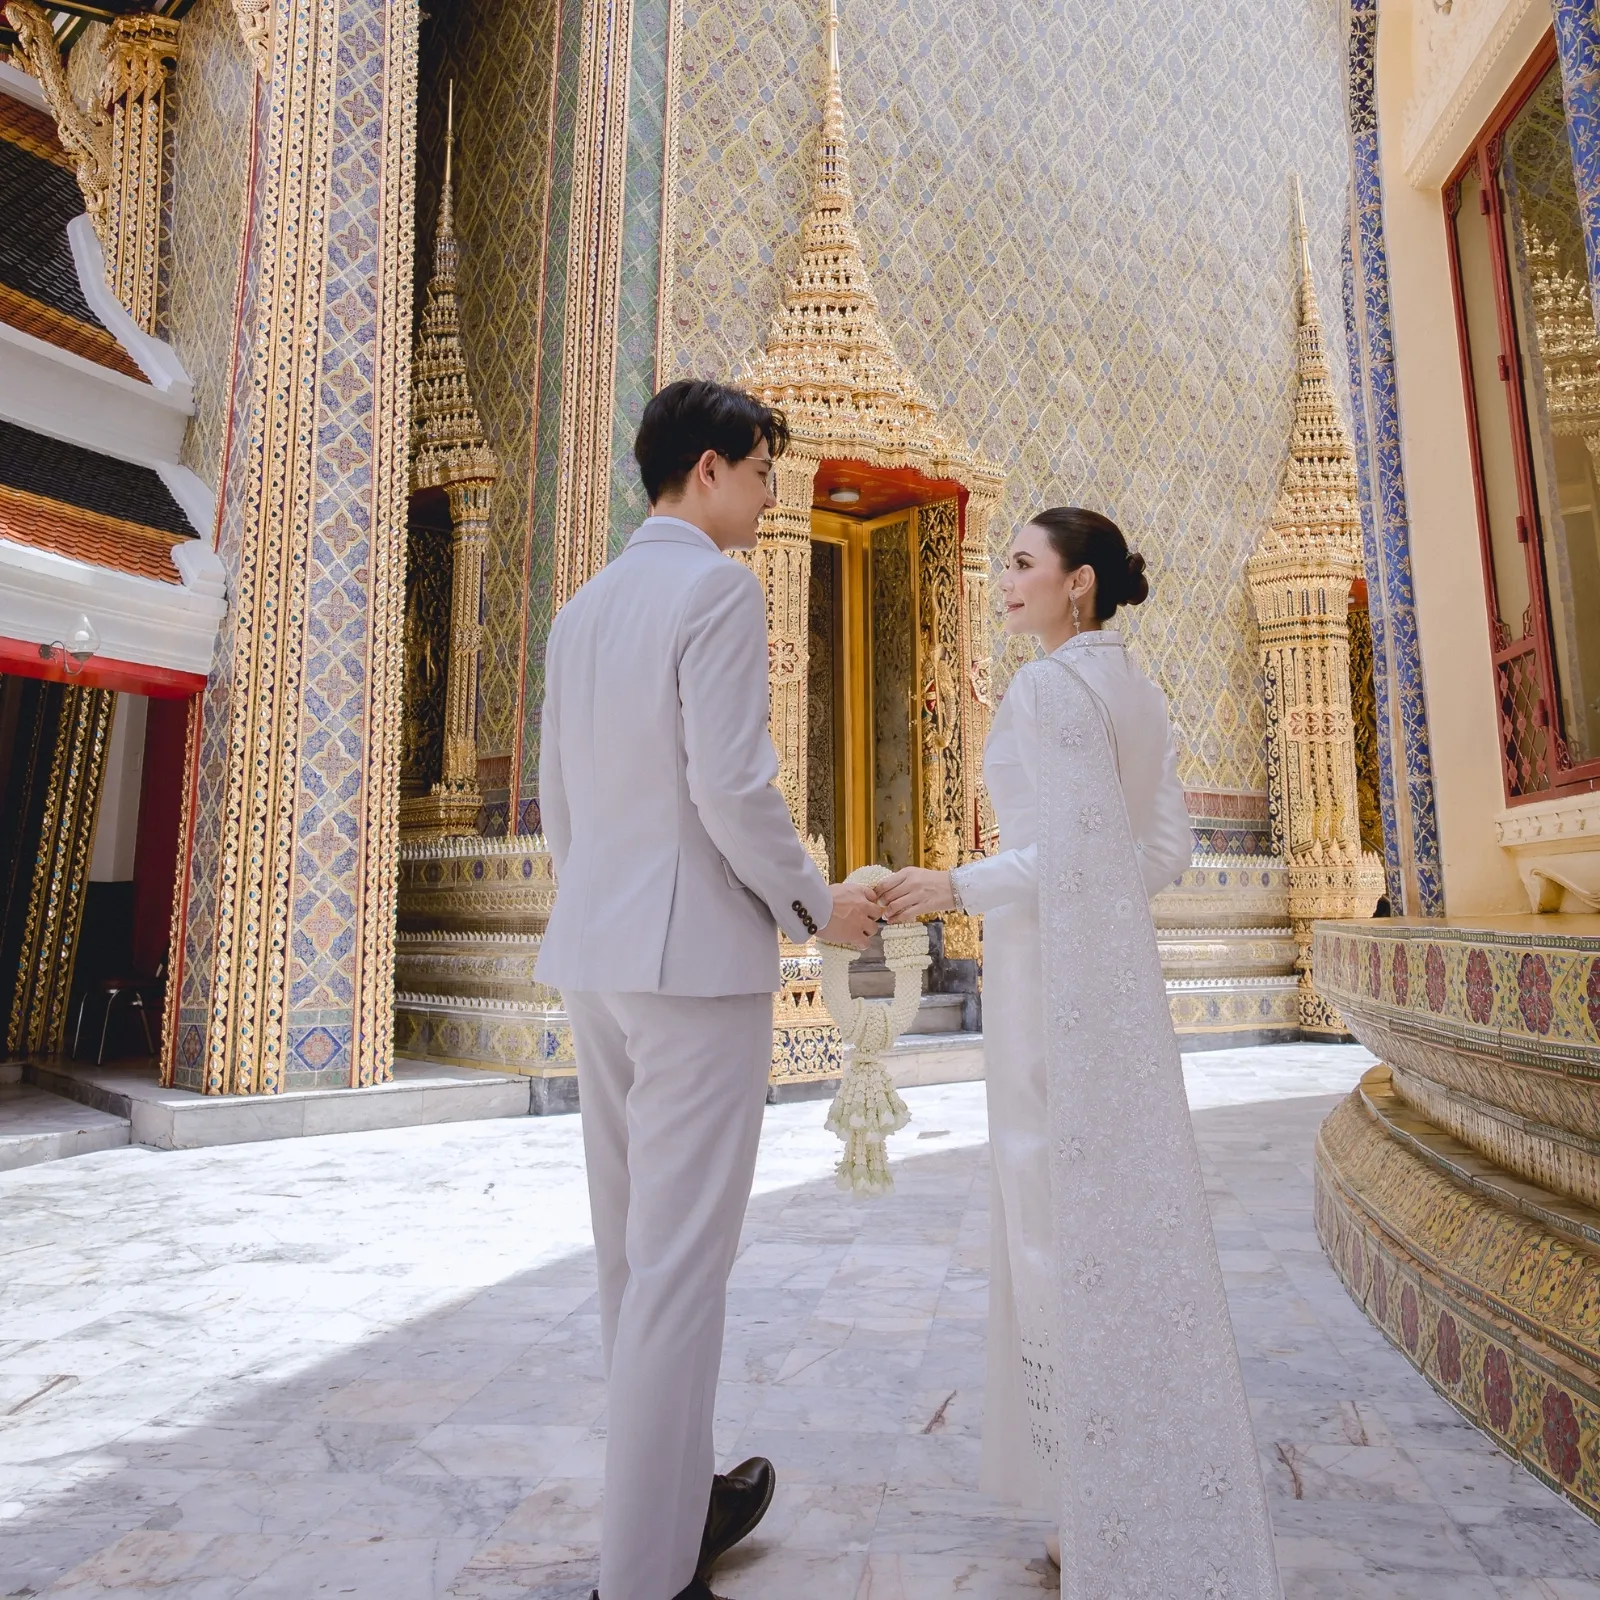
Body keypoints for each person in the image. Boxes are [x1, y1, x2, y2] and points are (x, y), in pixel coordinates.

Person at [877, 508, 1282, 1597]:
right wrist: (1085, 901)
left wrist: (955, 885)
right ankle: (1129, 1482)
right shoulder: (1134, 687)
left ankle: (1090, 1507)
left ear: (1078, 584)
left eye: (1021, 565)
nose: (1003, 580)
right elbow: (1159, 851)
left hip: (1045, 977)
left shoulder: (1049, 688)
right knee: (1114, 1214)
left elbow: (1077, 850)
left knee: (1053, 1218)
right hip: (1111, 978)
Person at [536, 379, 881, 1600]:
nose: (772, 495)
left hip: (601, 956)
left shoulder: (579, 610)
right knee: (680, 1265)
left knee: (636, 1257)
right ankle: (642, 1574)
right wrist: (812, 903)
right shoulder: (714, 592)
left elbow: (559, 804)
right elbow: (733, 788)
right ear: (708, 470)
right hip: (693, 967)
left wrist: (604, 916)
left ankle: (681, 1501)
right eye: (762, 470)